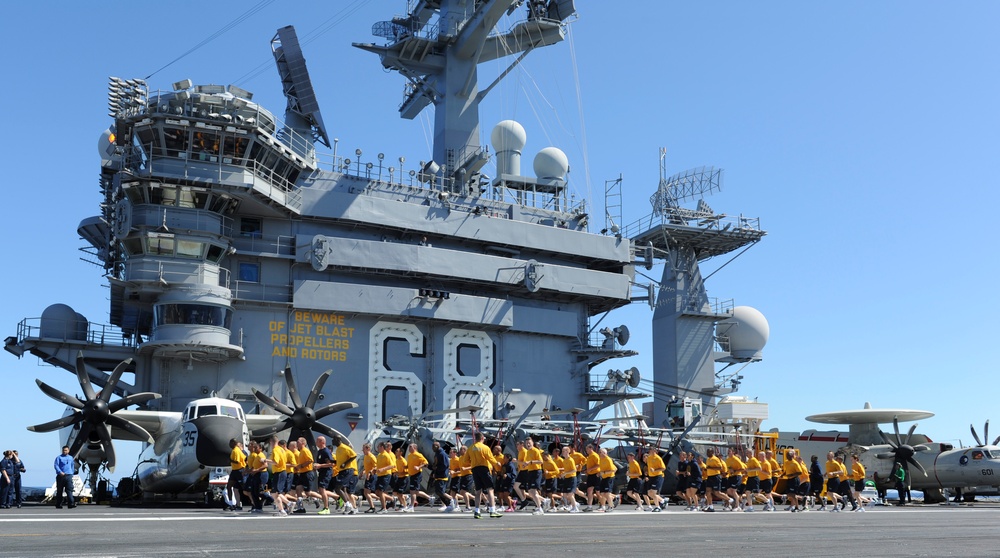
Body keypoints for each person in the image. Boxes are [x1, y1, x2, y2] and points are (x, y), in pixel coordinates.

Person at [467, 432, 503, 518]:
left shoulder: (470, 448)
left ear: (475, 438)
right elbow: (490, 458)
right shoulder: (485, 447)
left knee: (478, 491)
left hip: (475, 469)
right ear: (482, 438)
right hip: (483, 468)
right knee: (490, 489)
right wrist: (496, 463)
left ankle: (477, 511)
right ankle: (492, 510)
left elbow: (466, 460)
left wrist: (473, 462)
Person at [331, 435, 359, 514]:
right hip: (342, 471)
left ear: (337, 440)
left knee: (338, 488)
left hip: (347, 470)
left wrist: (345, 463)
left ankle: (348, 505)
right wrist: (332, 461)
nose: (332, 441)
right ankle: (351, 508)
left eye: (333, 439)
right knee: (343, 489)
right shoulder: (338, 449)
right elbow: (339, 461)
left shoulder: (344, 447)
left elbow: (354, 455)